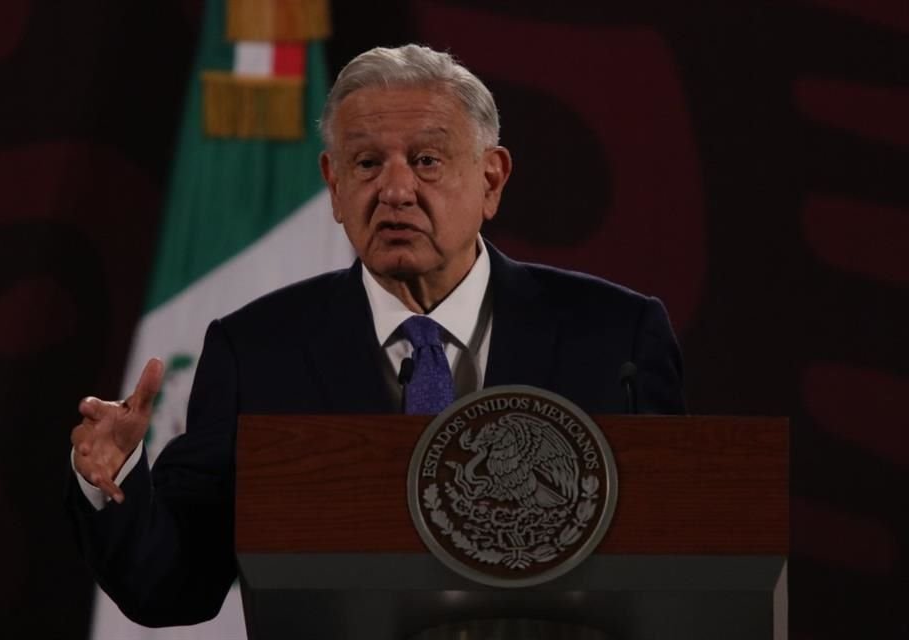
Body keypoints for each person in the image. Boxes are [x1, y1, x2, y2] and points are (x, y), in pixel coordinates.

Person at [68, 44, 685, 627]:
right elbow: (174, 585)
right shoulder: (256, 350)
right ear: (334, 185)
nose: (394, 191)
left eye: (426, 160)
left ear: (491, 180)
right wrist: (116, 474)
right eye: (367, 163)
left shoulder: (614, 338)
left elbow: (680, 560)